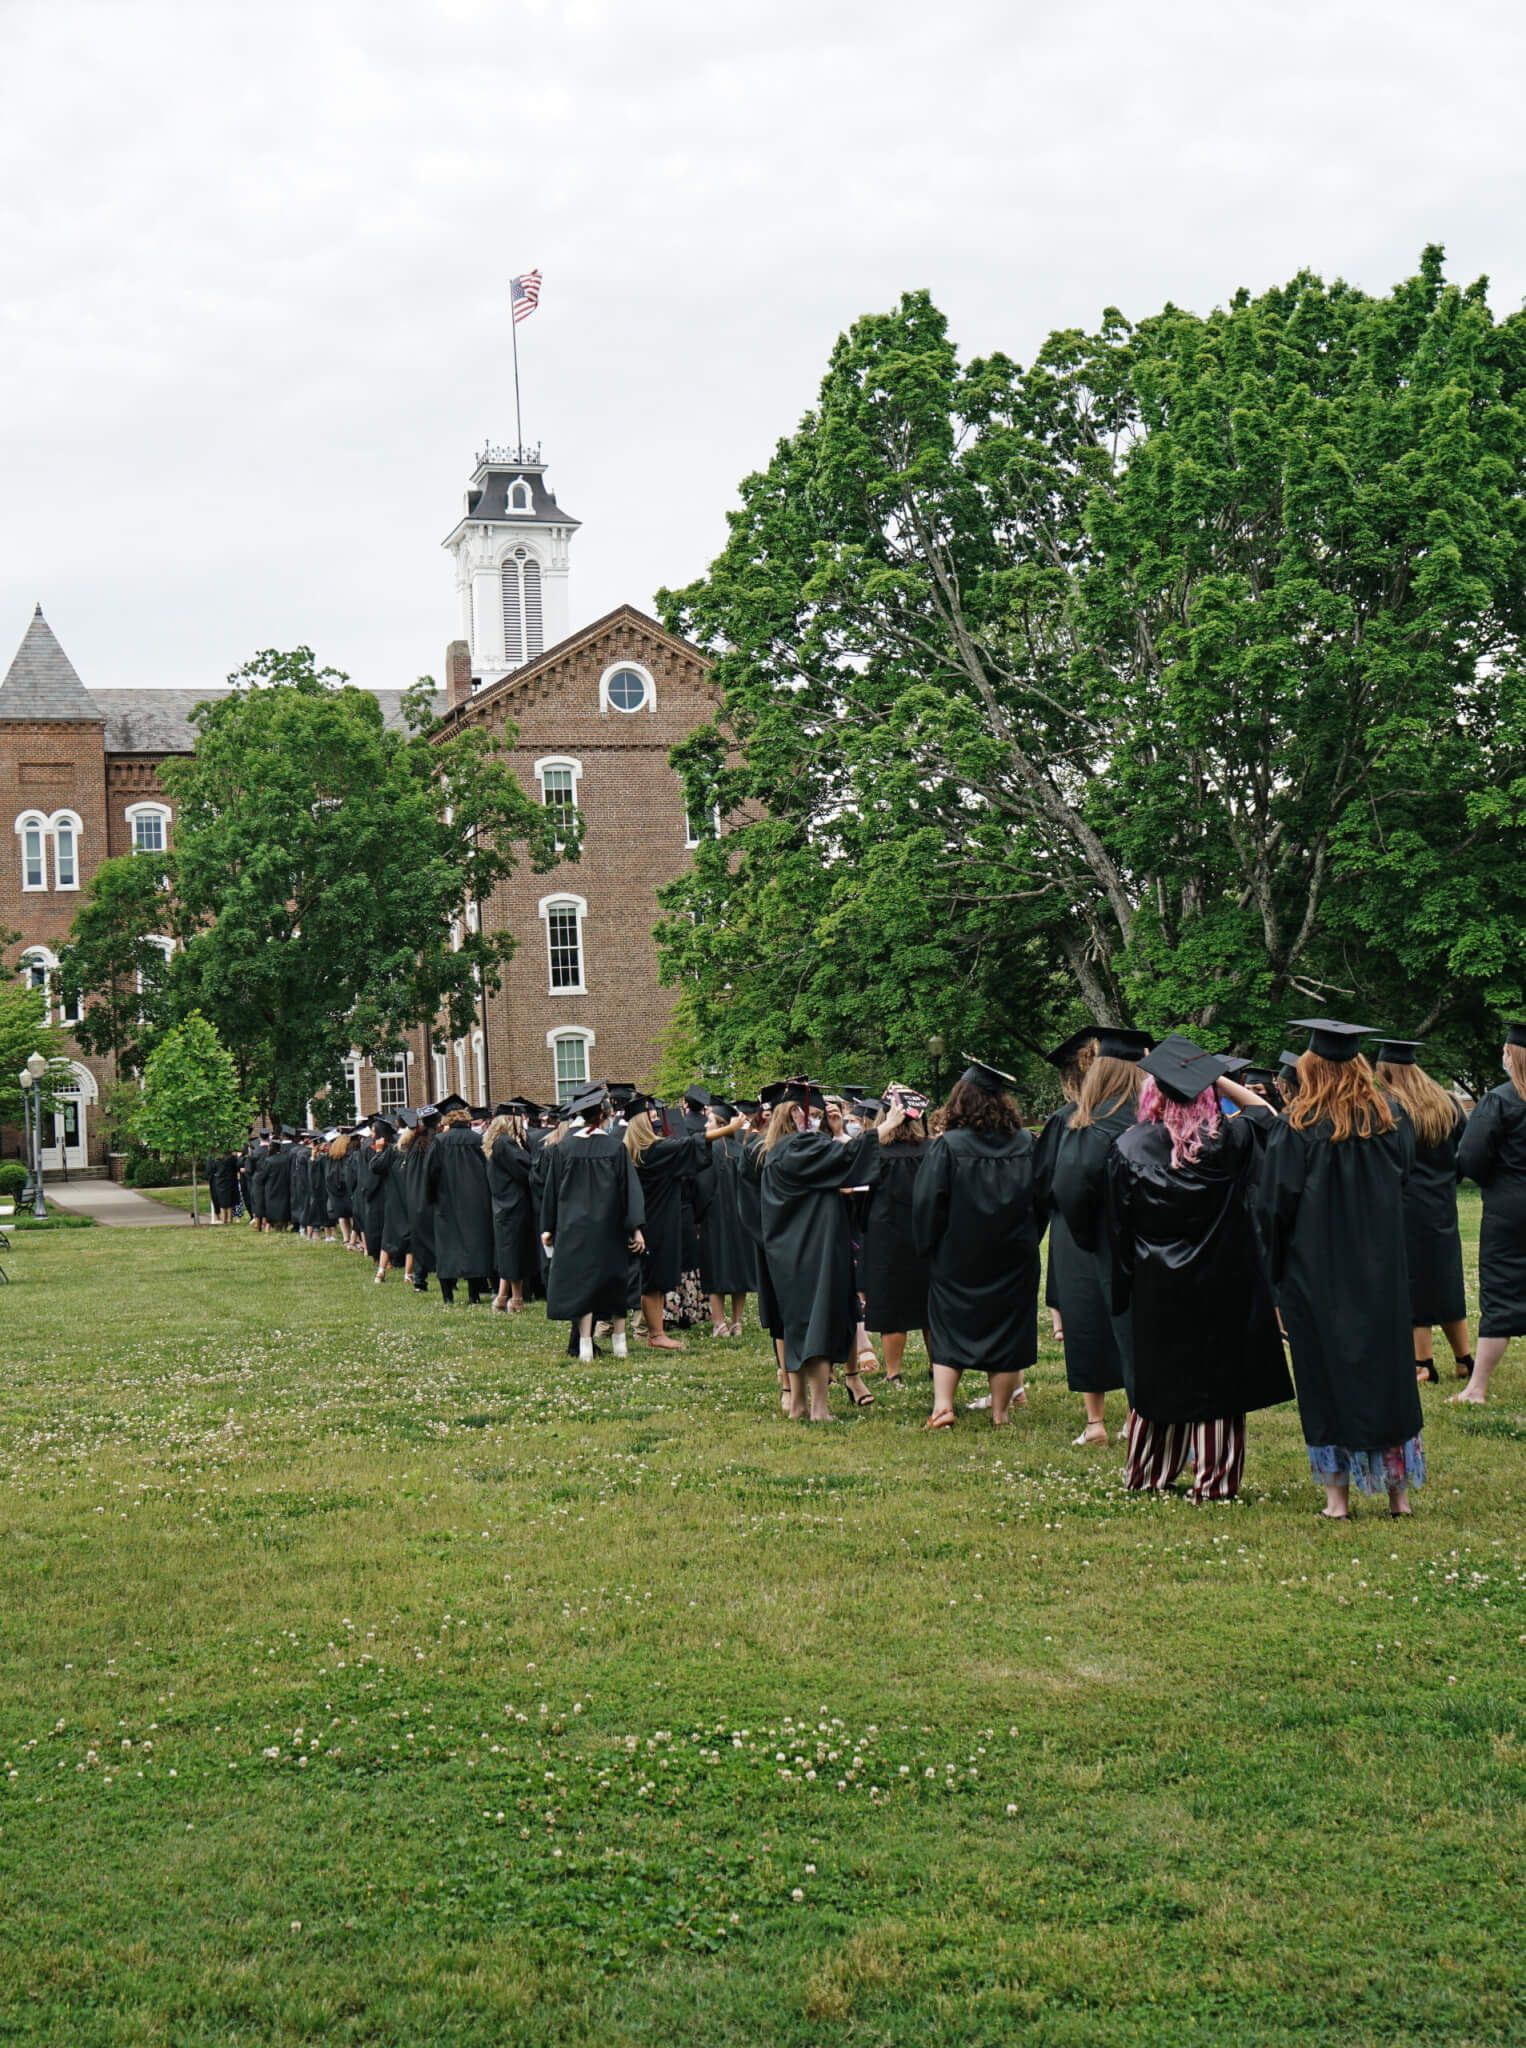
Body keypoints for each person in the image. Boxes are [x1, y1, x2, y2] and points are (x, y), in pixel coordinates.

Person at [1106, 1036, 1293, 1498]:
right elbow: (1269, 1118)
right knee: (1219, 1383)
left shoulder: (1128, 1146)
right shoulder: (1228, 1140)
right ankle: (1214, 1480)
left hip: (1156, 1281)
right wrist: (1220, 1080)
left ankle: (1148, 1474)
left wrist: (1123, 1287)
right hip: (1222, 1281)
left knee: (1158, 1380)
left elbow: (1117, 1227)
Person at [1255, 1019, 1424, 1519]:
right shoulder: (1392, 1119)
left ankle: (1337, 1500)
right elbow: (1405, 1181)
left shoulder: (1297, 1128)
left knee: (1325, 1378)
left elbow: (1273, 1211)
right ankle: (1399, 1495)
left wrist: (1276, 1282)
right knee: (1390, 1375)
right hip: (1381, 1274)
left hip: (1316, 1275)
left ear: (1311, 1069)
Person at [760, 1081, 905, 1421]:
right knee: (820, 1323)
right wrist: (886, 1125)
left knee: (796, 1326)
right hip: (814, 1250)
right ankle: (819, 1408)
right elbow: (845, 1156)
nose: (816, 1121)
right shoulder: (800, 1147)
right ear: (795, 1113)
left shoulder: (777, 1151)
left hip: (788, 1252)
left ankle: (797, 1405)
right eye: (811, 1113)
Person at [913, 1059, 1042, 1429]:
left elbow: (928, 1203)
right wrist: (1028, 1237)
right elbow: (1042, 1199)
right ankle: (1001, 1413)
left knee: (949, 1324)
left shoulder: (949, 1146)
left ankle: (943, 1406)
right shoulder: (1026, 1144)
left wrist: (929, 1245)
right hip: (1014, 1254)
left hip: (957, 1254)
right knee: (1008, 1327)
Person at [1048, 1029, 1153, 1443]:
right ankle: (1139, 1415)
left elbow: (1069, 1187)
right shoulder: (1157, 1117)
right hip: (1152, 1242)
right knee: (1141, 1332)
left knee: (1090, 1327)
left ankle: (1095, 1423)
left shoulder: (1088, 1123)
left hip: (1093, 1242)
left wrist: (1084, 1234)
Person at [1374, 1039, 1473, 1386]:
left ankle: (1422, 1363)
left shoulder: (1389, 1107)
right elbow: (1468, 1151)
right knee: (1446, 1281)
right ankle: (1464, 1359)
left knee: (1413, 1281)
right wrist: (1449, 1177)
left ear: (1386, 1071)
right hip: (1442, 1204)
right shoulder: (1448, 1104)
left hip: (1405, 1205)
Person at [624, 1100, 743, 1350]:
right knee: (652, 1281)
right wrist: (730, 1128)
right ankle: (655, 1334)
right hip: (657, 1223)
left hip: (648, 1220)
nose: (656, 1120)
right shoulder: (654, 1151)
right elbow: (693, 1143)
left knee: (654, 1281)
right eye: (651, 1117)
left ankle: (655, 1333)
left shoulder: (633, 1152)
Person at [540, 1085, 646, 1362]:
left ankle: (585, 1345)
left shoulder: (564, 1148)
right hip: (609, 1228)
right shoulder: (614, 1148)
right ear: (603, 1115)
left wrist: (548, 1227)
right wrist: (634, 1226)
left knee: (582, 1285)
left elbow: (550, 1190)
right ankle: (620, 1344)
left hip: (574, 1229)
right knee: (615, 1282)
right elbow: (628, 1191)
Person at [1454, 1022, 1526, 1404]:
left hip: (1509, 1207)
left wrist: (1490, 1179)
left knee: (1500, 1293)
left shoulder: (1500, 1100)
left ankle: (1477, 1387)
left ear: (1511, 1056)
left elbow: (1470, 1156)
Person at [860, 1084, 931, 1388]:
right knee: (931, 1306)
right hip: (926, 1236)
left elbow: (862, 1198)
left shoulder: (876, 1153)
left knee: (892, 1307)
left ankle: (894, 1373)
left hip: (885, 1237)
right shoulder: (933, 1149)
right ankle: (936, 1367)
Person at [426, 1104, 494, 1304]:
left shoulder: (440, 1141)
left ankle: (448, 1296)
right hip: (475, 1200)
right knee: (474, 1247)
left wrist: (430, 1197)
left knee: (447, 1247)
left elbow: (431, 1172)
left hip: (446, 1200)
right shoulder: (478, 1140)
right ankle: (474, 1296)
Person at [698, 1102, 755, 1335]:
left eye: (709, 1121)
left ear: (721, 1124)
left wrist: (698, 1215)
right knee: (738, 1269)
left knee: (716, 1268)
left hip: (714, 1218)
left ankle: (719, 1323)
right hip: (741, 1218)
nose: (705, 1124)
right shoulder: (742, 1150)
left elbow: (701, 1187)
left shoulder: (709, 1151)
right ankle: (736, 1322)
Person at [484, 1108, 536, 1313]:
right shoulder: (505, 1143)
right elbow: (525, 1168)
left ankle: (501, 1296)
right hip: (513, 1204)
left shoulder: (495, 1143)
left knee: (507, 1251)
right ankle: (516, 1299)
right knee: (514, 1253)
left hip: (502, 1203)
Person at [403, 1113, 438, 1291]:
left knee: (419, 1242)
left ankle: (419, 1280)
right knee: (439, 1240)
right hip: (433, 1199)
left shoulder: (412, 1146)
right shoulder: (436, 1146)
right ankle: (447, 1278)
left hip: (415, 1199)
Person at [206, 1149, 238, 1226]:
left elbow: (209, 1170)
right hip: (230, 1180)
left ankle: (223, 1219)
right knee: (230, 1200)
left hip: (219, 1181)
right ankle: (230, 1219)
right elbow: (236, 1168)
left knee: (222, 1201)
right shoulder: (231, 1157)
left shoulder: (213, 1158)